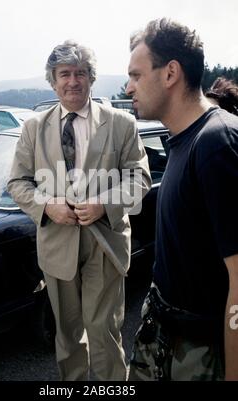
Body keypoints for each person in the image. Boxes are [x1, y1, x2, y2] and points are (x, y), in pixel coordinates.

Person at [7, 40, 151, 381]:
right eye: (65, 74)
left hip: (105, 244)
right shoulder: (33, 127)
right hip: (57, 244)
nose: (73, 81)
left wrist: (105, 203)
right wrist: (48, 207)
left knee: (104, 333)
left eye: (80, 73)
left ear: (91, 78)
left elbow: (139, 176)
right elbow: (17, 181)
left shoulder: (120, 123)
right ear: (53, 80)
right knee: (68, 336)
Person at [126, 18, 238, 381]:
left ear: (170, 72)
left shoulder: (215, 144)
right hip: (163, 333)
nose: (129, 87)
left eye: (136, 75)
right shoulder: (183, 138)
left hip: (200, 354)